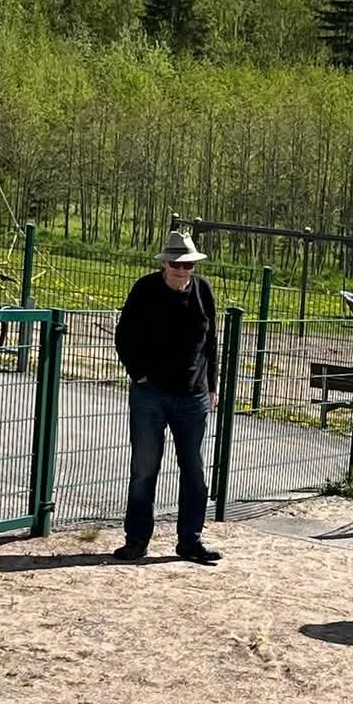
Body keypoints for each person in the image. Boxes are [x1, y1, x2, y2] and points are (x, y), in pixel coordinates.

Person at [113, 230, 221, 565]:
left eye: (188, 264)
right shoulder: (145, 289)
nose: (182, 270)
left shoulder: (203, 291)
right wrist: (139, 375)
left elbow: (212, 342)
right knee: (144, 468)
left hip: (194, 397)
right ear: (164, 264)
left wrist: (212, 385)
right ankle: (136, 540)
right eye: (176, 264)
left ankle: (191, 540)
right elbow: (124, 336)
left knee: (195, 471)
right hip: (151, 394)